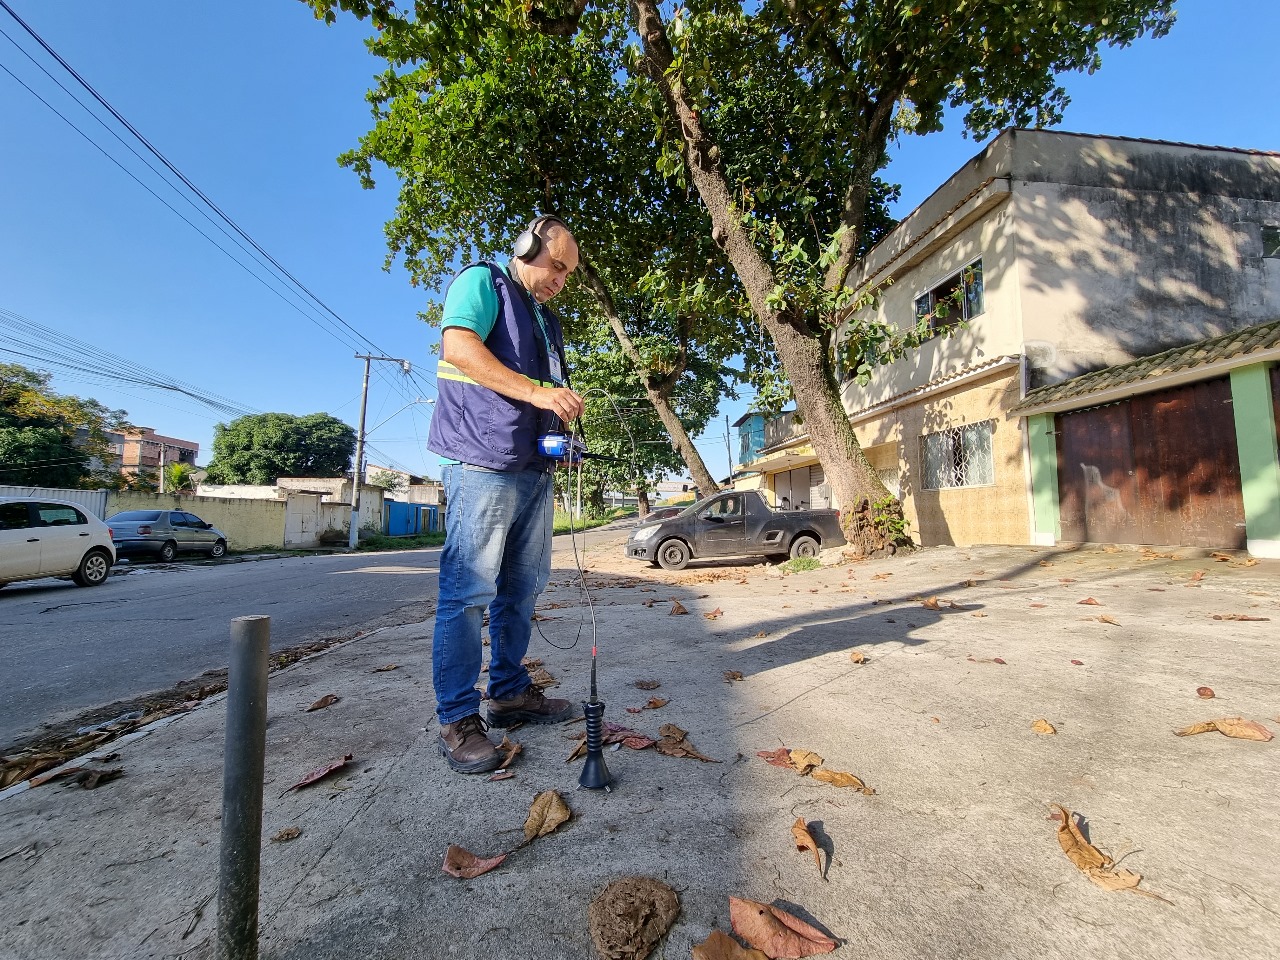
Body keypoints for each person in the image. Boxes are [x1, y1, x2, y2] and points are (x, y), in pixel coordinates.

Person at [425, 215, 584, 774]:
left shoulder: (546, 320)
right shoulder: (482, 282)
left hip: (533, 467)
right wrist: (541, 392)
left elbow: (541, 391)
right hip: (481, 462)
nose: (559, 279)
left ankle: (511, 694)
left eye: (568, 274)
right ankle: (458, 719)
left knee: (521, 589)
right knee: (469, 591)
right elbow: (460, 348)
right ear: (526, 247)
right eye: (555, 265)